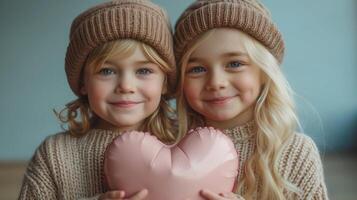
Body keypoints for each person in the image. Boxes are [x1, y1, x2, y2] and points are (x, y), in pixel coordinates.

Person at [18, 0, 177, 199]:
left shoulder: (185, 146)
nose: (126, 86)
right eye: (107, 71)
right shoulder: (54, 155)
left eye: (144, 70)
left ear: (164, 82)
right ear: (83, 82)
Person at [174, 0, 329, 199]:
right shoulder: (167, 143)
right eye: (197, 69)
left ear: (264, 71)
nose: (216, 82)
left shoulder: (295, 153)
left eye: (235, 64)